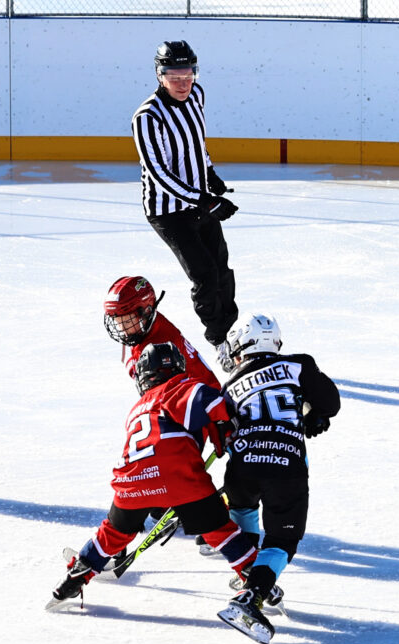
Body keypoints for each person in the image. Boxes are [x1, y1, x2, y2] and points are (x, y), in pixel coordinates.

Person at [49, 343, 260, 610]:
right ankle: (257, 582)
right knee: (220, 530)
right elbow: (210, 401)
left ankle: (73, 578)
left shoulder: (136, 408)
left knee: (113, 533)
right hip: (179, 477)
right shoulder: (179, 386)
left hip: (131, 481)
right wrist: (227, 430)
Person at [217, 314, 341, 644]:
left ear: (241, 347)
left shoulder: (228, 387)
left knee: (243, 509)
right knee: (282, 539)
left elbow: (221, 432)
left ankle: (249, 573)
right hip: (286, 466)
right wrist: (312, 413)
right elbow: (331, 403)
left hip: (241, 467)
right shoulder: (299, 364)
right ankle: (250, 596)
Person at [132, 40, 239, 372]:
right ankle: (220, 341)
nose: (183, 83)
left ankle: (233, 332)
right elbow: (159, 172)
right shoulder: (147, 117)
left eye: (188, 74)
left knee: (222, 269)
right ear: (159, 75)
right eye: (174, 76)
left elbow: (196, 143)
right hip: (167, 211)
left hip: (198, 200)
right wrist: (206, 200)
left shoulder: (197, 95)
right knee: (204, 274)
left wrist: (210, 174)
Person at [103, 275, 220, 389]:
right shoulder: (143, 328)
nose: (122, 329)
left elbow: (161, 396)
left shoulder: (160, 347)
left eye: (127, 322)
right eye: (118, 322)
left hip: (200, 398)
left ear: (146, 312)